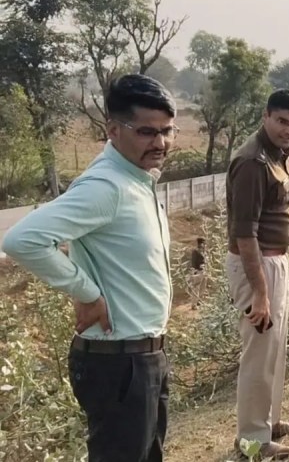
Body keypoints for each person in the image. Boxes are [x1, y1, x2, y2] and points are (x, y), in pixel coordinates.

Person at [1, 74, 178, 462]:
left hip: (143, 356)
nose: (160, 143)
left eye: (167, 130)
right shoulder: (106, 186)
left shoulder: (137, 179)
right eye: (147, 132)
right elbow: (22, 240)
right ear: (113, 130)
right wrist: (87, 292)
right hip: (118, 362)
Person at [225, 88, 289, 459]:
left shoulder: (279, 154)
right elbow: (245, 234)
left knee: (274, 349)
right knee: (259, 353)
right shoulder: (252, 163)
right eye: (282, 121)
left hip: (276, 262)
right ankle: (252, 441)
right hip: (256, 265)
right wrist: (259, 293)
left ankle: (268, 423)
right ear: (266, 117)